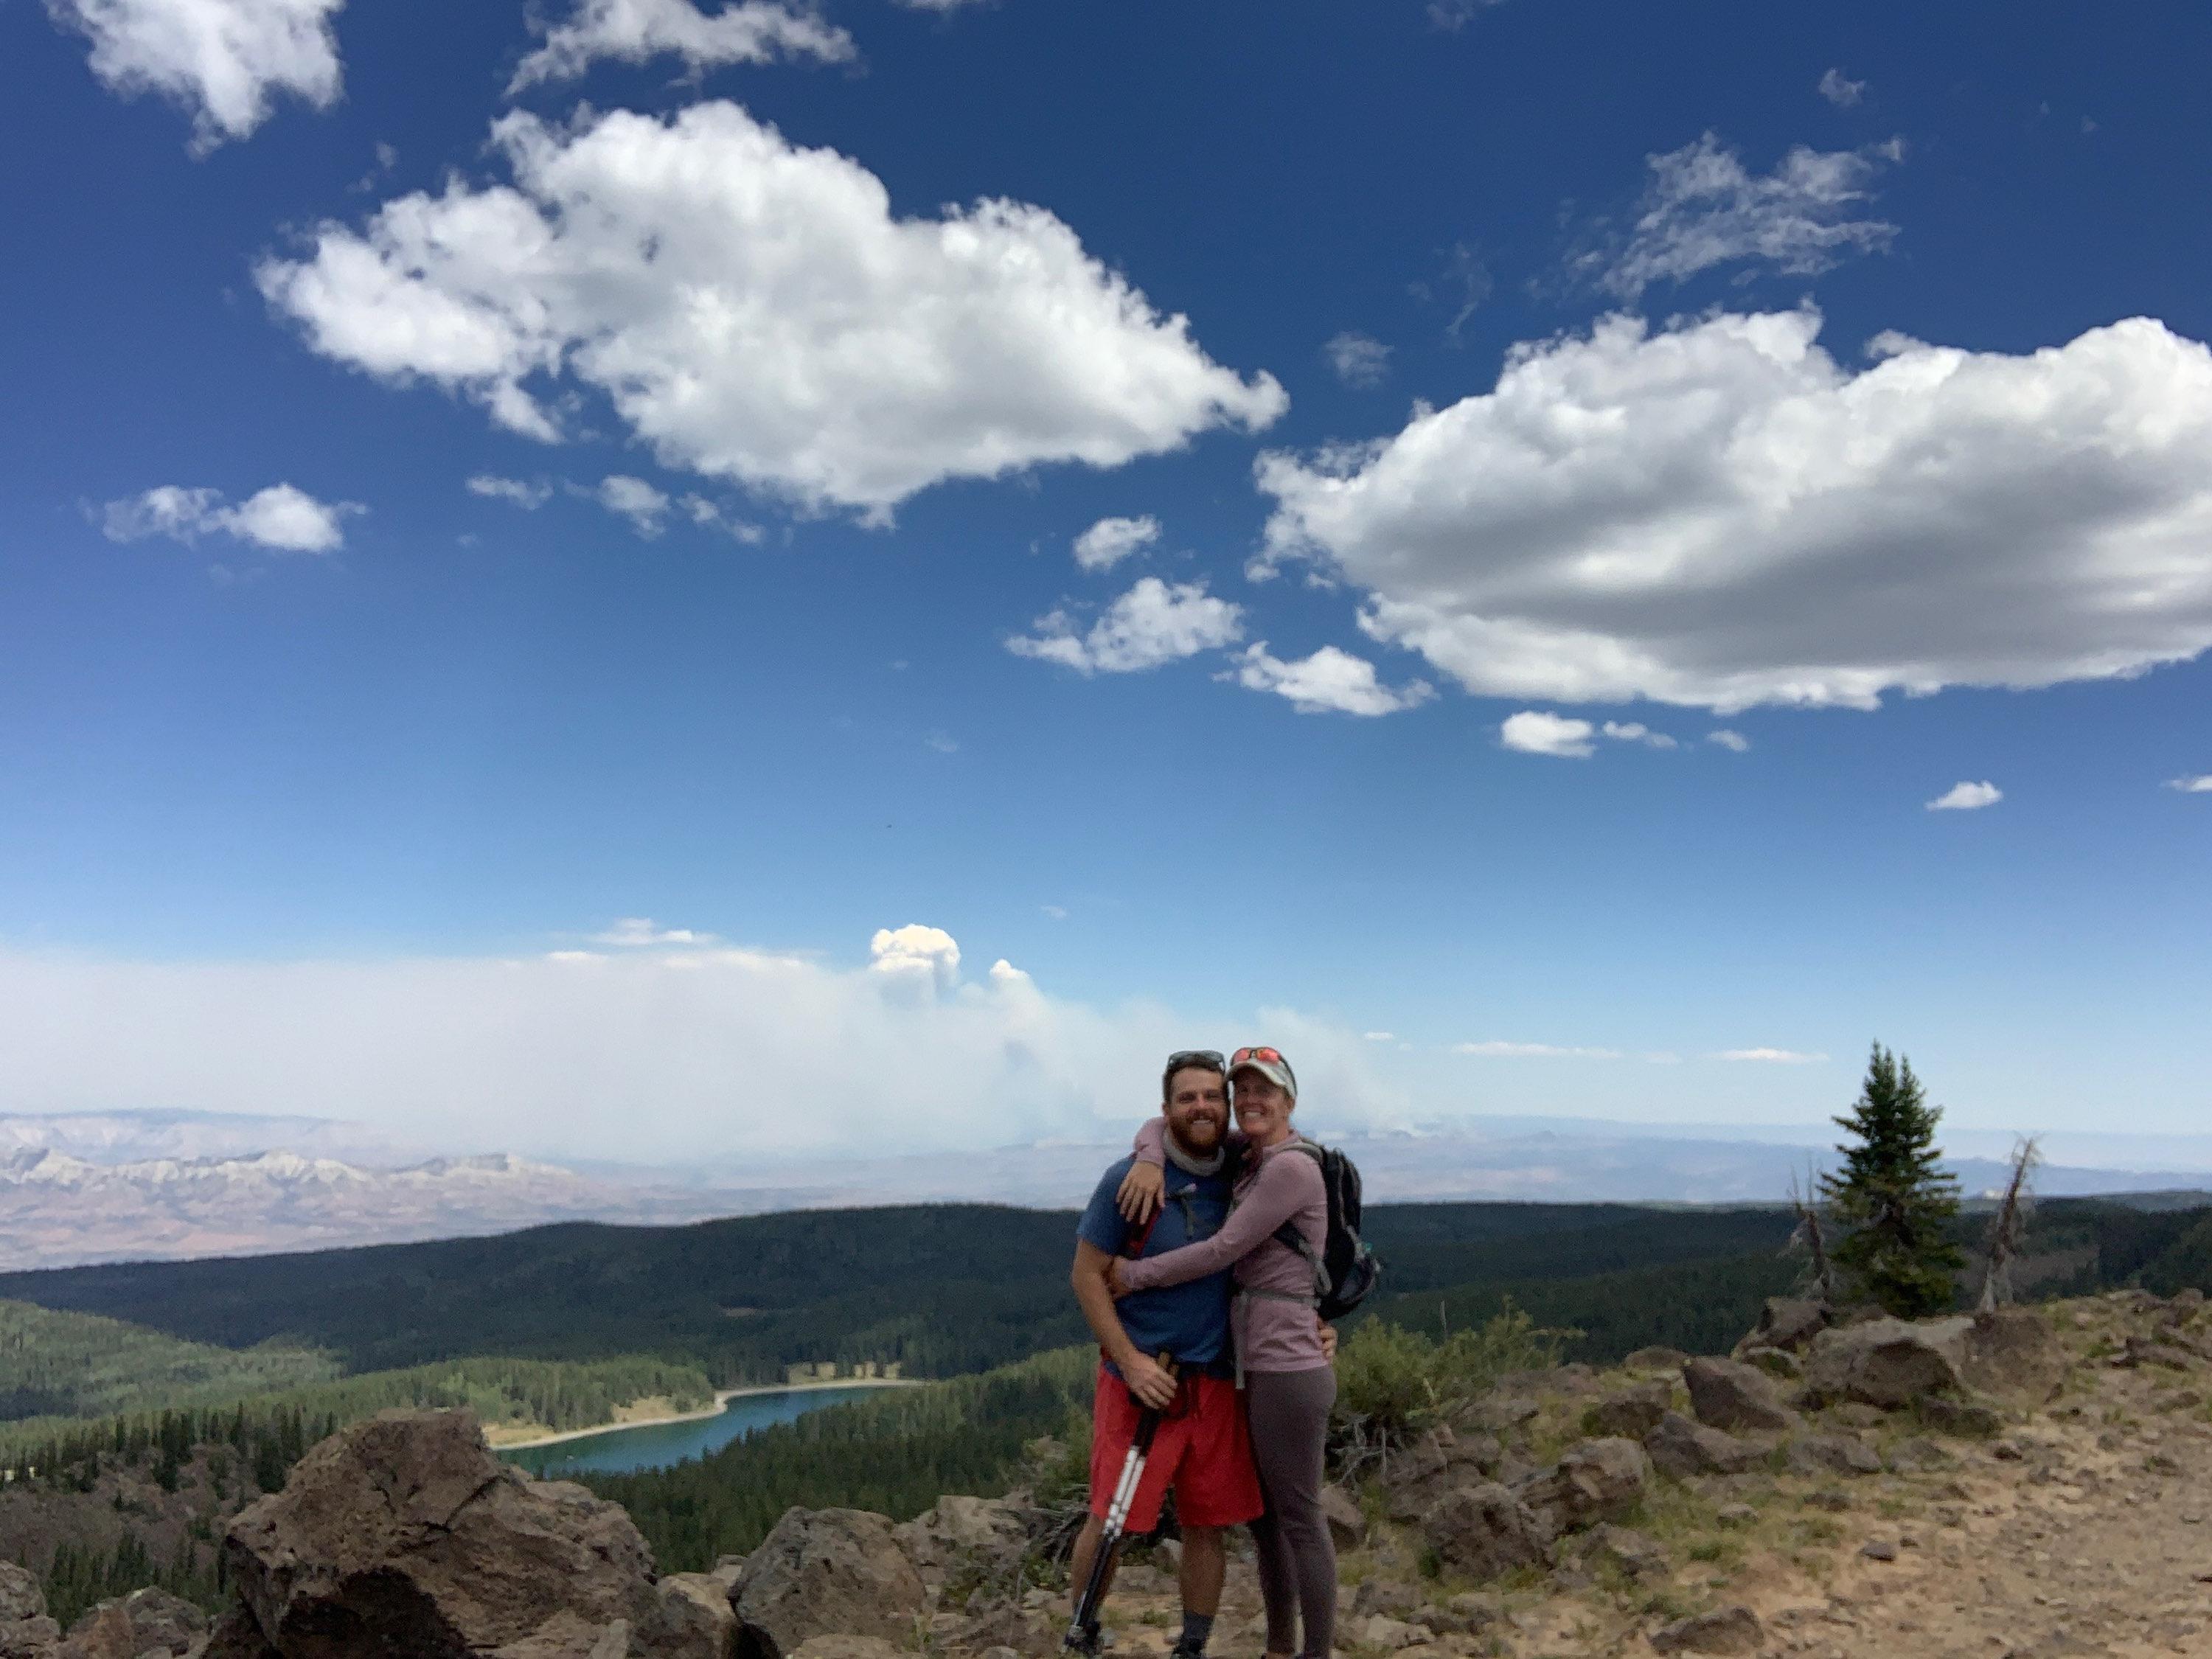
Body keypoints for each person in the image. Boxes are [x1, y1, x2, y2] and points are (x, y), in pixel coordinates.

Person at [1110, 1044, 1338, 1659]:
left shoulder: (1289, 1167)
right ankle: (1279, 1649)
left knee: (1298, 1518)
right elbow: (1162, 1122)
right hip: (1256, 1365)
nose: (1252, 1101)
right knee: (1266, 1521)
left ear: (1290, 1099)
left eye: (1266, 1090)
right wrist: (1151, 1157)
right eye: (1244, 1091)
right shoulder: (1250, 1155)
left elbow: (1223, 1249)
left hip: (1287, 1368)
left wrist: (1133, 1276)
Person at [1068, 1049, 1264, 1659]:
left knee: (1210, 1523)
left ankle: (1194, 1647)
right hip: (1141, 1381)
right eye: (1187, 1098)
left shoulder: (1243, 1167)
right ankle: (1083, 1632)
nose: (1201, 1106)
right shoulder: (1128, 1180)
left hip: (1213, 1380)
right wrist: (1129, 1361)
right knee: (1112, 1517)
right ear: (1165, 1109)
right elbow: (1086, 1276)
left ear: (1225, 1107)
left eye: (1212, 1096)